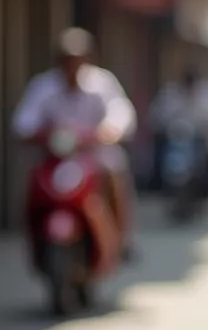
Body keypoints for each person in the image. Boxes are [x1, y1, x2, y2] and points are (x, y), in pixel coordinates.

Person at [12, 27, 137, 260]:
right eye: (67, 59)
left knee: (114, 170)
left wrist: (110, 131)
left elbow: (121, 113)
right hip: (55, 158)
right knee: (32, 179)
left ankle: (122, 236)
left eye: (78, 59)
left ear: (88, 58)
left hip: (93, 155)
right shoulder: (44, 86)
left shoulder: (102, 83)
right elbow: (23, 121)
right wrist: (34, 134)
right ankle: (31, 235)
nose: (72, 65)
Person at [150, 65, 208, 197]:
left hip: (199, 137)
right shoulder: (171, 93)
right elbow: (157, 115)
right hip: (175, 138)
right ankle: (159, 184)